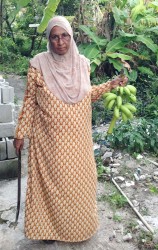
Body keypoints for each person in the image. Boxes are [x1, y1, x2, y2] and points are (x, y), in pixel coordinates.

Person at [13, 16, 128, 243]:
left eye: (64, 35)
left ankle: (79, 228)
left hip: (79, 142)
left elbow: (87, 95)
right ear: (49, 40)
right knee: (52, 188)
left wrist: (110, 85)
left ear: (71, 37)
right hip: (50, 142)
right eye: (54, 37)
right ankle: (47, 229)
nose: (60, 42)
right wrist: (20, 134)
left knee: (78, 187)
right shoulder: (38, 64)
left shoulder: (83, 64)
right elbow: (29, 101)